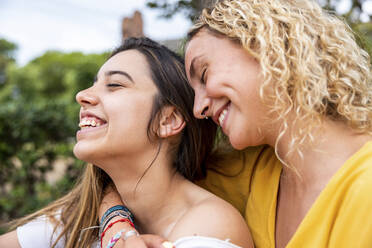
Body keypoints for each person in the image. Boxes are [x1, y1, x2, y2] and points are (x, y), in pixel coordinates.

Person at [120, 0, 372, 247]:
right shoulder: (252, 169)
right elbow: (128, 180)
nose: (199, 109)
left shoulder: (364, 186)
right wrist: (118, 229)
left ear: (266, 46)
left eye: (205, 74)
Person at [0, 37, 253, 248]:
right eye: (94, 83)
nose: (82, 96)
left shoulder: (211, 227)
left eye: (115, 85)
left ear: (168, 120)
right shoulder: (83, 215)